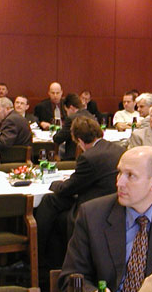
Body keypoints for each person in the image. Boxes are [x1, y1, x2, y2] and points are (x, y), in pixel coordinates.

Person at [58, 146, 152, 292]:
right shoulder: (93, 214)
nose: (119, 183)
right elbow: (70, 276)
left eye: (131, 176)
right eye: (119, 173)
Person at [34, 117, 126, 280]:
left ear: (80, 141)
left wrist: (53, 183)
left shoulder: (89, 157)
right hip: (112, 202)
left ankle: (40, 258)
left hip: (94, 207)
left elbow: (68, 188)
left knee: (52, 209)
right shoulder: (118, 149)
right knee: (52, 204)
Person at [53, 93, 95, 160]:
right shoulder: (91, 116)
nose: (67, 114)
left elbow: (58, 138)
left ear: (71, 108)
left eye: (66, 111)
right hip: (91, 155)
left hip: (72, 157)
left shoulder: (71, 119)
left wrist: (56, 133)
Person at [0, 96, 32, 161]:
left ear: (7, 108)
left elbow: (4, 143)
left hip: (14, 158)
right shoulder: (16, 117)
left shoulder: (10, 120)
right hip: (19, 157)